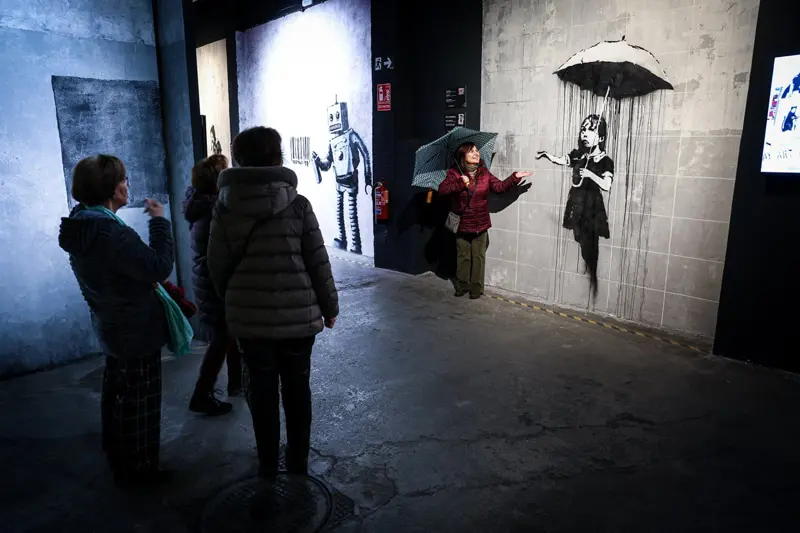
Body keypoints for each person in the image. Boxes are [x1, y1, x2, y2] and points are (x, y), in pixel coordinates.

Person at [207, 126, 339, 479]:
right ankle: (297, 461)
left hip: (250, 325)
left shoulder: (225, 207)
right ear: (277, 157)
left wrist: (235, 302)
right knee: (298, 390)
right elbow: (317, 261)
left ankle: (268, 463)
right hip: (298, 321)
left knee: (261, 392)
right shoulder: (298, 205)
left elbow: (216, 266)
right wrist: (330, 307)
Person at [58, 155, 174, 486]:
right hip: (136, 329)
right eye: (123, 180)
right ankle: (141, 471)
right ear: (110, 188)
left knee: (118, 396)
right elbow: (158, 266)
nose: (127, 185)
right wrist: (159, 221)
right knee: (141, 403)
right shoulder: (112, 233)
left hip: (110, 324)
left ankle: (120, 459)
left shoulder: (82, 223)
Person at [184, 154, 241, 416]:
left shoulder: (202, 206)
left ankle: (236, 384)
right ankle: (202, 393)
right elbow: (221, 256)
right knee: (222, 339)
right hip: (215, 286)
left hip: (209, 283)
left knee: (229, 335)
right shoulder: (212, 211)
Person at [437, 142, 531, 299]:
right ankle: (462, 286)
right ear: (463, 156)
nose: (476, 153)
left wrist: (514, 177)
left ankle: (476, 289)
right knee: (463, 257)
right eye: (471, 151)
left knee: (479, 257)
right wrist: (461, 181)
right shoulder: (454, 173)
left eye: (477, 151)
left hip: (481, 223)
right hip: (462, 224)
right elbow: (442, 190)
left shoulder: (484, 173)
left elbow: (499, 187)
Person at [537, 114, 614, 296]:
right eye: (583, 129)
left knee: (590, 241)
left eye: (590, 130)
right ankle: (588, 262)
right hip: (576, 203)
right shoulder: (579, 155)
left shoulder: (605, 161)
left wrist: (590, 175)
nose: (584, 134)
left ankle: (592, 271)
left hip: (592, 206)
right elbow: (563, 160)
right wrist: (548, 156)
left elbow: (607, 185)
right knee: (579, 237)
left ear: (601, 137)